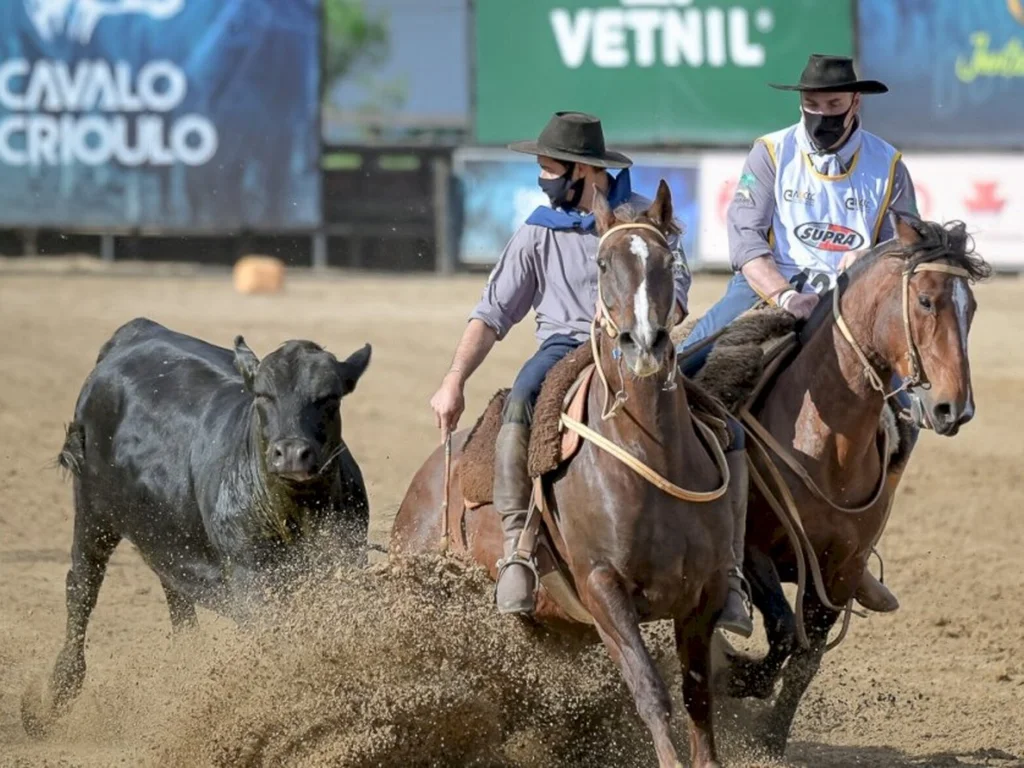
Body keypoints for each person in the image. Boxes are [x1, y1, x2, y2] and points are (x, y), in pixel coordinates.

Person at [430, 111, 755, 637]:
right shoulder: (538, 231)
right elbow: (492, 314)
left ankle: (731, 573)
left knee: (728, 431)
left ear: (585, 171)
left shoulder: (645, 224)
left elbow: (677, 297)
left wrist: (651, 323)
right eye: (541, 169)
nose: (543, 179)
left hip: (640, 347)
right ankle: (519, 548)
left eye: (550, 168)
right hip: (563, 344)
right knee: (519, 403)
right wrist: (454, 379)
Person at [678, 53, 919, 614]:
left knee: (909, 412)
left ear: (856, 102)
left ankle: (856, 554)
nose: (821, 115)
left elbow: (901, 251)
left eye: (833, 105)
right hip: (770, 290)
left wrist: (863, 287)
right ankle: (693, 527)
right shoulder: (770, 152)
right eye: (811, 105)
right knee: (687, 366)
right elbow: (744, 239)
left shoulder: (889, 166)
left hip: (853, 306)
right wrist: (785, 294)